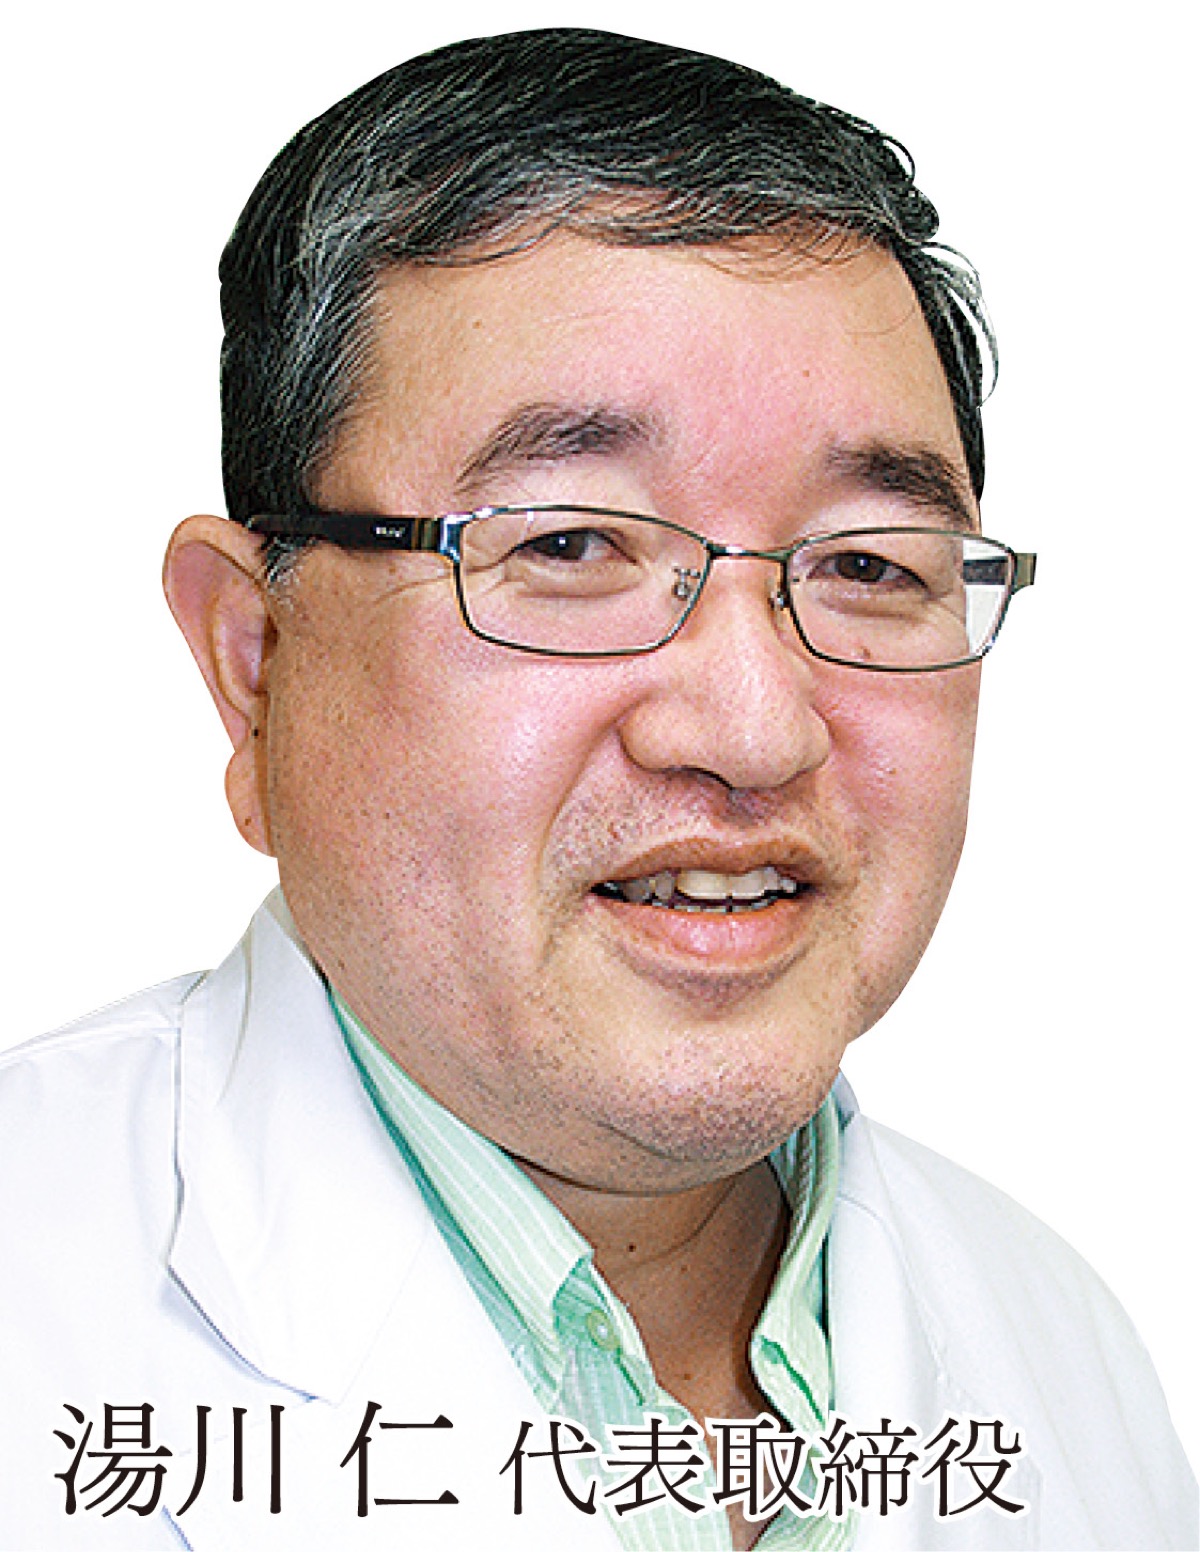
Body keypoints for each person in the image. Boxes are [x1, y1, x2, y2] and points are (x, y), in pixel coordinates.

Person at [0, 27, 1193, 1552]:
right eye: (570, 546)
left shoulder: (1065, 1355)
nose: (754, 731)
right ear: (257, 664)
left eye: (866, 565)